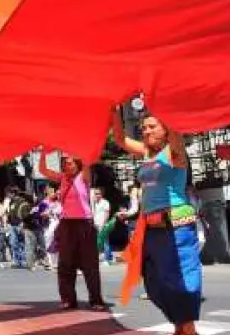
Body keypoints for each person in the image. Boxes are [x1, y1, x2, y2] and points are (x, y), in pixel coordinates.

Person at [114, 109, 202, 335]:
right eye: (143, 128)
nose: (146, 131)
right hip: (150, 230)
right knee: (154, 284)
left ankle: (187, 328)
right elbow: (120, 139)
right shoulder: (146, 152)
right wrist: (113, 109)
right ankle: (181, 325)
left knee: (181, 281)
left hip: (177, 227)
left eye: (152, 126)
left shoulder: (175, 152)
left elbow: (176, 131)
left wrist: (162, 105)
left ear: (166, 129)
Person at [38, 150, 107, 311]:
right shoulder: (62, 178)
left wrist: (79, 147)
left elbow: (88, 159)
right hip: (66, 223)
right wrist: (43, 152)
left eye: (70, 163)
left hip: (84, 223)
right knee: (65, 264)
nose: (67, 165)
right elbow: (43, 170)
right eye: (65, 163)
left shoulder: (84, 176)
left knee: (90, 264)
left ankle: (96, 300)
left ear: (77, 164)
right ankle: (68, 299)